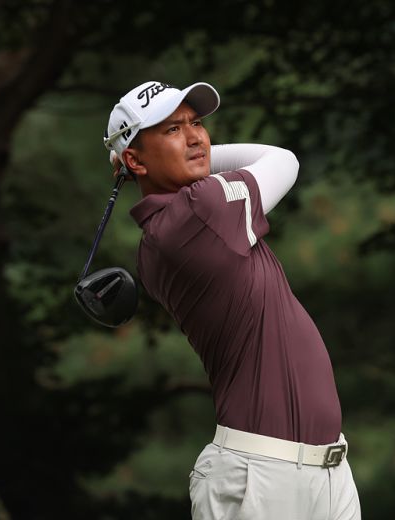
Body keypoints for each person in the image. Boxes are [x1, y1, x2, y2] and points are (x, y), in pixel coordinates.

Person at [103, 81, 361, 520]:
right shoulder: (200, 209)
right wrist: (192, 157)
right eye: (172, 130)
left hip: (327, 470)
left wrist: (159, 158)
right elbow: (282, 160)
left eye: (196, 124)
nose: (196, 138)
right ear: (134, 160)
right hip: (261, 475)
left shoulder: (166, 232)